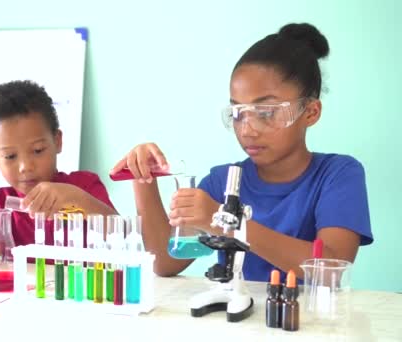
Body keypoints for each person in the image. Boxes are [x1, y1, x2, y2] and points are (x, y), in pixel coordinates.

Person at [111, 23, 373, 281]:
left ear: (311, 112)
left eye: (267, 112)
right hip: (239, 321)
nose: (247, 129)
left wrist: (228, 223)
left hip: (311, 321)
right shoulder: (222, 182)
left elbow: (329, 269)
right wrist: (142, 177)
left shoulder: (337, 175)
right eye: (237, 113)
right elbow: (166, 263)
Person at [0, 80, 117, 268]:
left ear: (57, 141)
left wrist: (78, 199)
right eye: (10, 156)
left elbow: (121, 236)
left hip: (81, 296)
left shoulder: (84, 186)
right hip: (23, 298)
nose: (25, 166)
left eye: (38, 150)